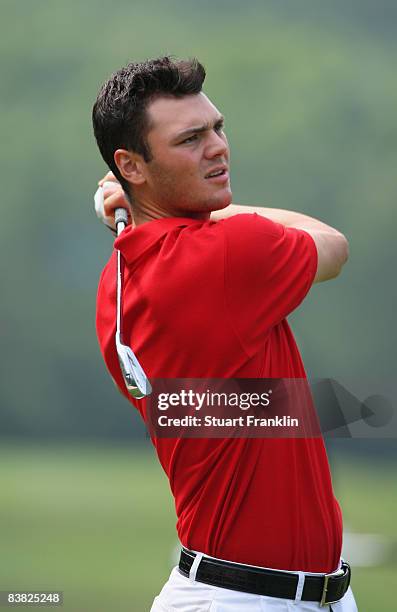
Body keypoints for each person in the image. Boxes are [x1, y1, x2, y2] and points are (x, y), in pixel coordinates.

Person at [92, 56, 357, 611]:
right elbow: (330, 243)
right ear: (131, 166)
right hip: (245, 599)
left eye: (217, 127)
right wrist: (214, 214)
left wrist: (145, 211)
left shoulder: (116, 284)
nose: (218, 147)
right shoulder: (227, 255)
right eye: (190, 139)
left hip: (256, 591)